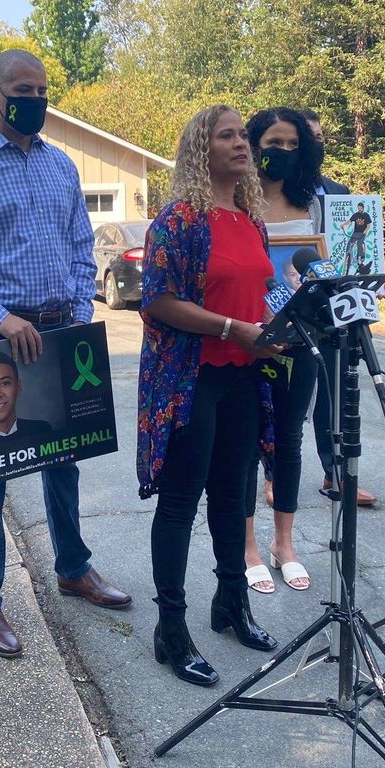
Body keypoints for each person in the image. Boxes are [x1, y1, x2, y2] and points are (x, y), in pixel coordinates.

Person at [0, 49, 131, 660]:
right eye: (22, 89)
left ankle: (73, 567)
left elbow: (77, 250)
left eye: (41, 88)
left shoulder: (62, 166)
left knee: (65, 459)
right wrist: (2, 317)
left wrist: (79, 316)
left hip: (59, 332)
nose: (34, 98)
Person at [138, 104, 279, 687]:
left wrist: (274, 326)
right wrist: (230, 328)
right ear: (202, 148)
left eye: (243, 135)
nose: (241, 143)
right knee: (180, 505)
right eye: (227, 135)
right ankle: (171, 630)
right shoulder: (177, 221)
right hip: (191, 379)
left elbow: (257, 292)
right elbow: (159, 301)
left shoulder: (251, 218)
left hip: (245, 376)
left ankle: (230, 605)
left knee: (232, 497)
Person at [242, 107, 324, 594]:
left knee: (289, 441)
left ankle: (284, 545)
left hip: (302, 341)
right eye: (276, 142)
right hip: (248, 343)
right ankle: (248, 546)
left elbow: (324, 264)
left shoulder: (313, 204)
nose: (285, 153)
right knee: (246, 444)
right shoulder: (237, 201)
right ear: (254, 146)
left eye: (295, 145)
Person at [301, 110, 377, 507]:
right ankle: (273, 473)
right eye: (309, 137)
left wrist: (370, 275)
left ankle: (336, 475)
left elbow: (354, 249)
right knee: (289, 399)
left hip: (335, 310)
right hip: (293, 310)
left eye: (321, 135)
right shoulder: (272, 193)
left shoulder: (341, 193)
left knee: (334, 397)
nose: (318, 143)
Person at [341, 202, 374, 273]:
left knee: (359, 243)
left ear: (363, 208)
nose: (359, 209)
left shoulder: (366, 215)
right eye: (358, 208)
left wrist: (364, 232)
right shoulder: (355, 215)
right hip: (355, 233)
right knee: (350, 243)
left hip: (362, 233)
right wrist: (343, 225)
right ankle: (347, 256)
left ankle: (360, 257)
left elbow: (368, 226)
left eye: (360, 208)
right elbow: (349, 221)